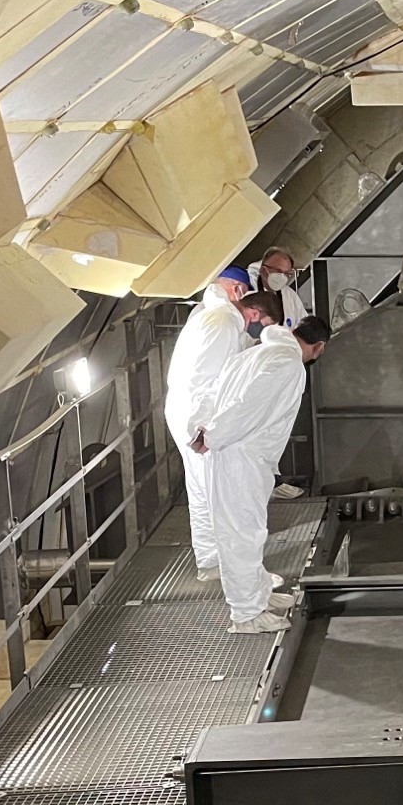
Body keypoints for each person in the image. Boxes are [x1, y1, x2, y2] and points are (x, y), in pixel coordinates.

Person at [192, 314, 332, 633]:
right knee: (241, 534)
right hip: (240, 457)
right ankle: (246, 614)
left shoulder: (253, 353)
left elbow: (211, 394)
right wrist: (212, 436)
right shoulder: (287, 364)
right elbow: (247, 406)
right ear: (319, 347)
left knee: (249, 531)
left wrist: (203, 428)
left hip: (234, 454)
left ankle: (260, 595)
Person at [162, 267, 275, 582]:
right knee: (219, 490)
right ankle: (227, 565)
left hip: (187, 411)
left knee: (203, 488)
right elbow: (206, 380)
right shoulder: (223, 321)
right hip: (197, 416)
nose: (253, 320)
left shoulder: (208, 315)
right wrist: (205, 428)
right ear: (238, 292)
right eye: (254, 312)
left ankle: (213, 561)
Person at [256, 249, 311, 501]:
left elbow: (301, 324)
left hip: (281, 373)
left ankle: (272, 478)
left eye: (288, 273)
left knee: (276, 428)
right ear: (264, 268)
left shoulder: (287, 295)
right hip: (256, 373)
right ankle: (262, 480)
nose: (283, 277)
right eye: (278, 272)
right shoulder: (247, 294)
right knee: (254, 428)